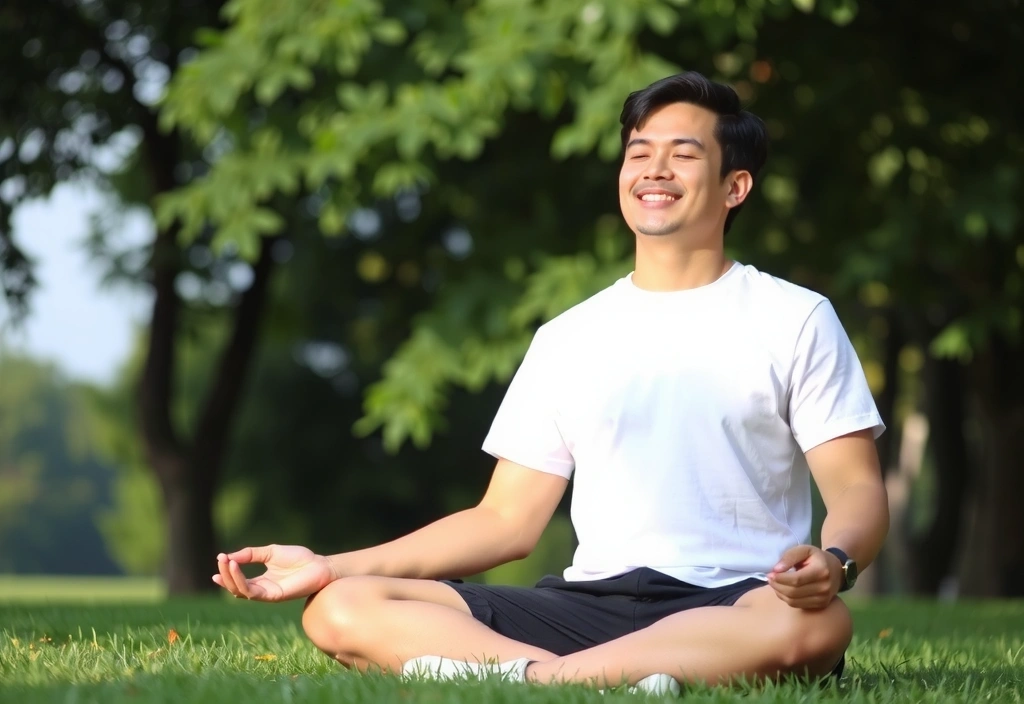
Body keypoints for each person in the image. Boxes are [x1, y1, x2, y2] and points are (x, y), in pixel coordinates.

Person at [213, 71, 889, 693]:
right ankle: (584, 676)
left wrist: (836, 562)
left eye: (683, 154)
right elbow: (505, 521)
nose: (654, 169)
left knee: (818, 626)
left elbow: (858, 487)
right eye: (638, 152)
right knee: (341, 606)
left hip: (735, 601)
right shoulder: (568, 336)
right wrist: (331, 564)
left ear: (734, 187)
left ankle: (521, 680)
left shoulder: (795, 317)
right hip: (584, 604)